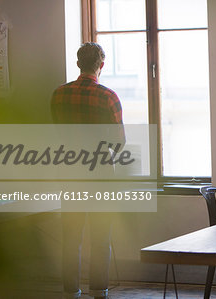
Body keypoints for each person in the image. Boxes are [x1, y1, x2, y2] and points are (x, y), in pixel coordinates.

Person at [51, 42, 123, 299]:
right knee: (101, 236)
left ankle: (71, 291)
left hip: (69, 173)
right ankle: (99, 290)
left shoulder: (59, 95)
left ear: (78, 63)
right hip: (101, 175)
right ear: (100, 66)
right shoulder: (108, 96)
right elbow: (119, 142)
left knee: (71, 236)